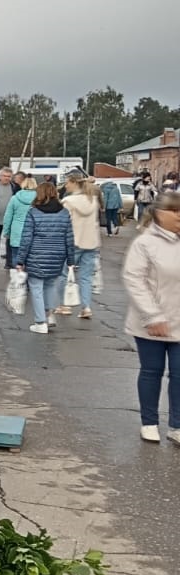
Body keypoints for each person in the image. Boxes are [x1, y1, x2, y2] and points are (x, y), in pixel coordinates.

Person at [122, 189, 180, 443]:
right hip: (151, 323)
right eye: (174, 211)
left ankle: (176, 425)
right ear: (159, 213)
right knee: (152, 371)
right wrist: (153, 315)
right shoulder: (145, 243)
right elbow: (134, 280)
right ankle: (149, 421)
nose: (179, 217)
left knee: (179, 374)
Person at [15, 181, 76, 335]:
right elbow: (69, 237)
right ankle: (49, 315)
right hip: (57, 255)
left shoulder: (33, 212)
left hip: (36, 254)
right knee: (50, 285)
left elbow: (26, 238)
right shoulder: (64, 213)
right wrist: (71, 260)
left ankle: (40, 322)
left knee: (36, 288)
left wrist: (20, 260)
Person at [62, 173, 102, 319]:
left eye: (67, 182)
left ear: (73, 183)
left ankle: (64, 304)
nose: (65, 185)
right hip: (91, 242)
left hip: (73, 242)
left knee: (64, 274)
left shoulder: (68, 201)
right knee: (86, 277)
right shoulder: (93, 200)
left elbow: (64, 223)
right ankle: (86, 307)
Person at [1, 177, 39, 277]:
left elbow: (8, 216)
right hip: (33, 232)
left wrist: (6, 232)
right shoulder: (39, 199)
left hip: (17, 231)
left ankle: (18, 279)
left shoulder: (15, 198)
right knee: (31, 258)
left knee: (16, 256)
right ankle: (29, 280)